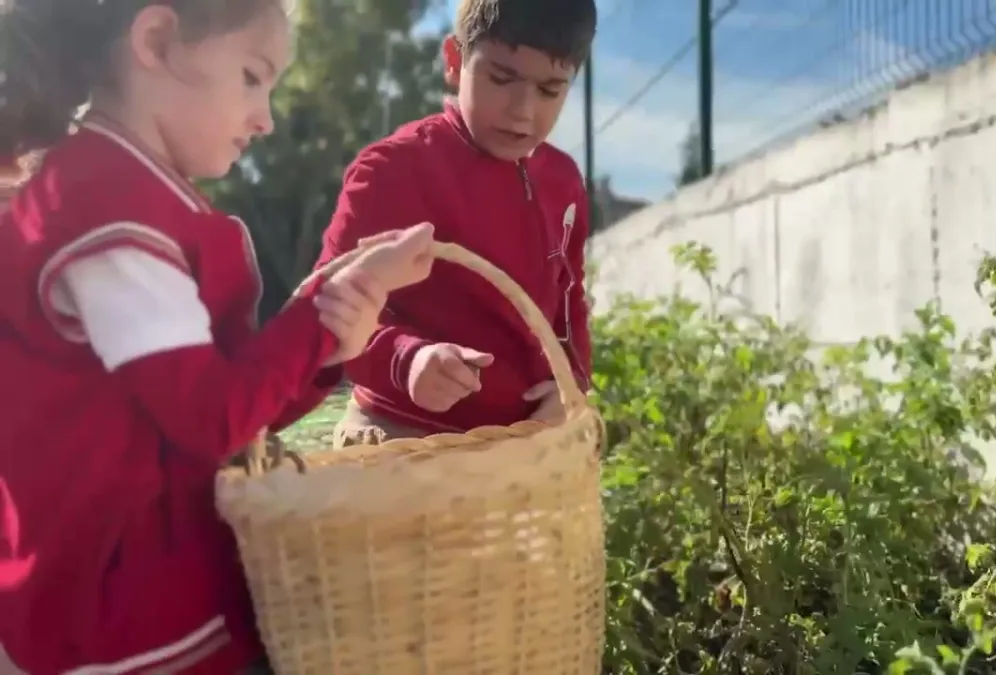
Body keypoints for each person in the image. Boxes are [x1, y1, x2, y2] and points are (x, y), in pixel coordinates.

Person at [0, 0, 436, 673]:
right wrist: (316, 318)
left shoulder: (128, 197)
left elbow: (228, 408)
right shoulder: (108, 211)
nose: (265, 117)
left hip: (158, 603)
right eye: (252, 76)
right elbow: (214, 419)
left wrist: (323, 335)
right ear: (159, 38)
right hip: (128, 625)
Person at [319, 0, 597, 444]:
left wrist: (572, 386)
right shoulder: (393, 169)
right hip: (403, 442)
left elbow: (569, 299)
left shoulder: (563, 181)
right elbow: (325, 309)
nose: (522, 111)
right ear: (454, 60)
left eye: (550, 89)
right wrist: (407, 361)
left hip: (525, 446)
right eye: (502, 79)